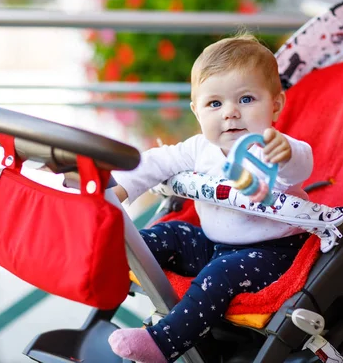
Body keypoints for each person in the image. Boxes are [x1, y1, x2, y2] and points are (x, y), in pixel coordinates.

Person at [108, 33, 314, 362]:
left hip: (273, 252)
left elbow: (298, 168)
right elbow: (157, 161)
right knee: (168, 234)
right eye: (215, 104)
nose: (230, 113)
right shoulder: (199, 148)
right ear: (197, 110)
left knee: (219, 275)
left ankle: (163, 343)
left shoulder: (271, 147)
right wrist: (121, 188)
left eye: (246, 99)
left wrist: (286, 154)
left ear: (275, 104)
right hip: (213, 243)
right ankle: (106, 266)